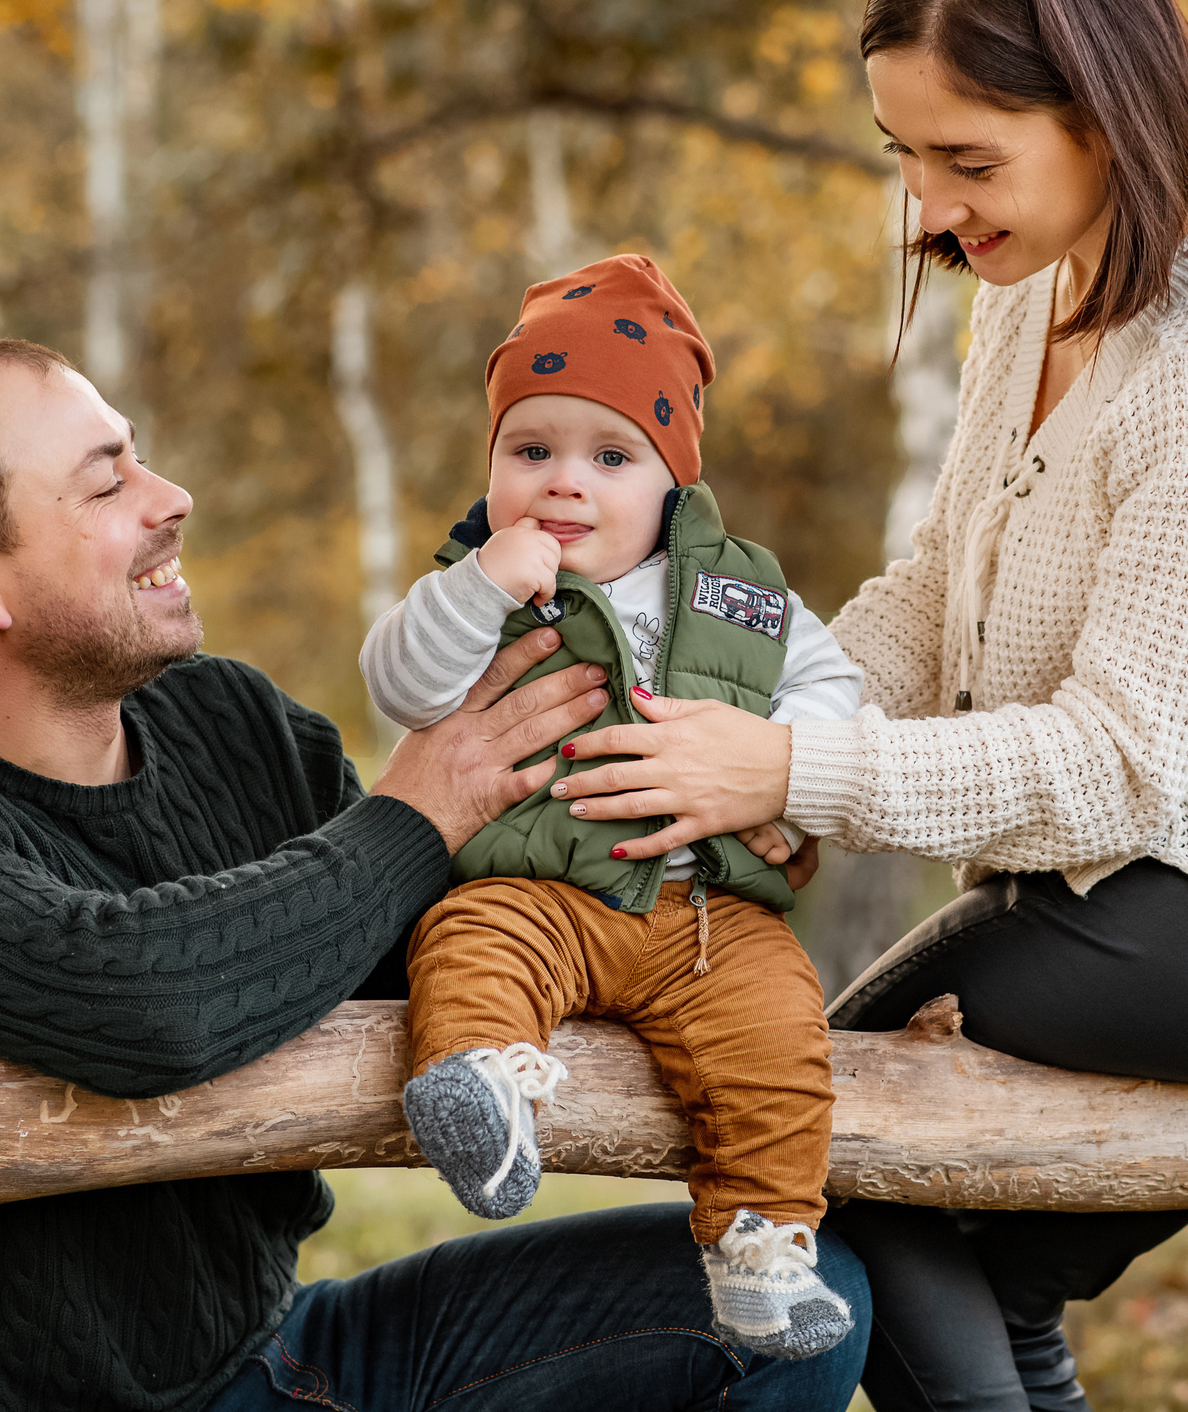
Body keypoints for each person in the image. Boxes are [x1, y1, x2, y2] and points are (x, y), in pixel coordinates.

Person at [531, 0, 1188, 1412]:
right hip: (1176, 893)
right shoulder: (1046, 284)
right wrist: (757, 720)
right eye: (904, 155)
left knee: (814, 1123)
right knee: (991, 1291)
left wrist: (793, 770)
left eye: (968, 160)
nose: (931, 208)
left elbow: (1114, 768)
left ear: (1107, 112)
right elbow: (934, 585)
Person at [0, 334, 870, 1412]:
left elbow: (413, 944)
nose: (171, 497)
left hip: (280, 1356)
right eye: (106, 483)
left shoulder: (227, 719)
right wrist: (415, 811)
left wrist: (696, 839)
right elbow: (141, 1004)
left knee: (794, 1311)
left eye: (139, 456)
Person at [361, 254, 864, 1359]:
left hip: (706, 912)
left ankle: (762, 1250)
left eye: (610, 456)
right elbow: (399, 684)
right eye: (530, 451)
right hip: (539, 885)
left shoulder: (741, 592)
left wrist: (788, 778)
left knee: (781, 1036)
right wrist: (481, 585)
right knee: (471, 943)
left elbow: (832, 686)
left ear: (672, 481)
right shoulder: (475, 590)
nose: (563, 484)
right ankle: (482, 1091)